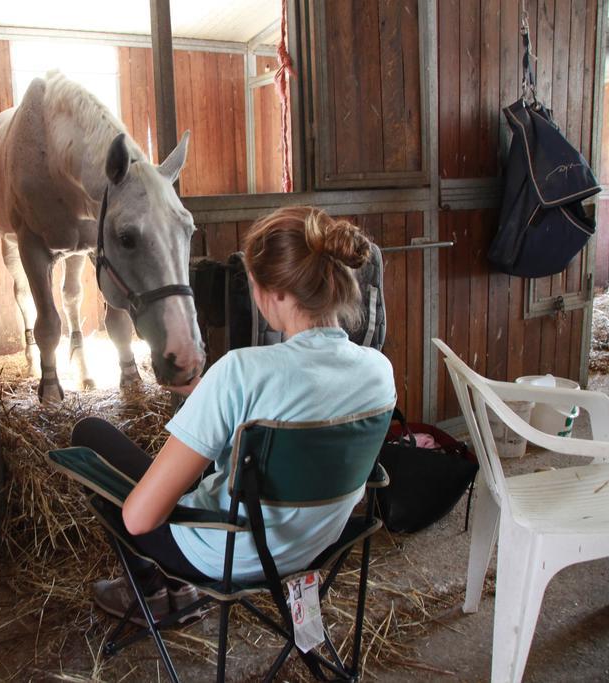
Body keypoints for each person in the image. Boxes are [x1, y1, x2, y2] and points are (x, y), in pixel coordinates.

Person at [71, 205, 397, 624]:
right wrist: (209, 397)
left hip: (223, 556)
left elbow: (139, 519)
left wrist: (214, 393)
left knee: (90, 431)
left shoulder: (241, 372)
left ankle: (154, 589)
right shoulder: (378, 372)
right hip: (314, 547)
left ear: (275, 292)